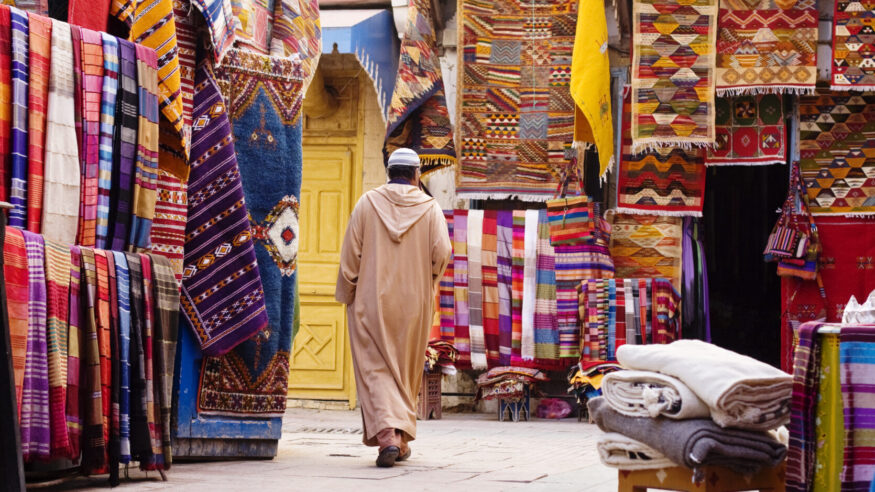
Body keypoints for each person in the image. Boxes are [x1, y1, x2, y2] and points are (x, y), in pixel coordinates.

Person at [335, 148, 452, 467]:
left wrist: (347, 294)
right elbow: (442, 253)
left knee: (375, 368)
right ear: (416, 175)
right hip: (414, 303)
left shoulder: (366, 204)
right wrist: (427, 281)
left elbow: (350, 259)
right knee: (404, 370)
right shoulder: (430, 208)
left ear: (389, 173)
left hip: (371, 301)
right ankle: (398, 439)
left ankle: (388, 436)